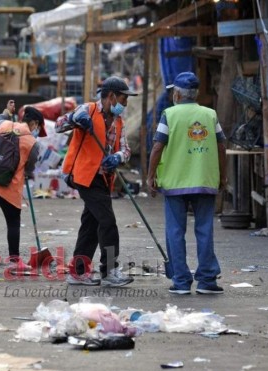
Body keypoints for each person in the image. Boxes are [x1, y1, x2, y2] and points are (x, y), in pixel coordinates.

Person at [147, 71, 227, 295]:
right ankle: (207, 281)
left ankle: (181, 282)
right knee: (205, 230)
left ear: (178, 94)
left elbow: (157, 147)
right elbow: (222, 145)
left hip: (175, 183)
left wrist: (150, 175)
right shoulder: (210, 115)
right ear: (196, 93)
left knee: (175, 231)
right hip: (204, 180)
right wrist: (223, 175)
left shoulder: (169, 114)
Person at [55, 76, 136, 287]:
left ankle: (78, 272)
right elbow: (58, 125)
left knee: (91, 224)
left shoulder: (118, 122)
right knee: (108, 222)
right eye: (123, 99)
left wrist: (117, 157)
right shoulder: (87, 110)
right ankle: (109, 271)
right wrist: (75, 119)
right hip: (83, 175)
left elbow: (126, 150)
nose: (125, 105)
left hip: (103, 178)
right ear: (111, 97)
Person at [0, 106, 42, 273]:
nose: (36, 130)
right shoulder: (32, 142)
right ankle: (14, 262)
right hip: (9, 188)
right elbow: (30, 167)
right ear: (33, 123)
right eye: (37, 126)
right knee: (13, 224)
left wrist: (5, 112)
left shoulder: (3, 125)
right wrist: (27, 173)